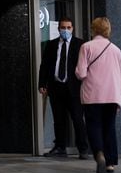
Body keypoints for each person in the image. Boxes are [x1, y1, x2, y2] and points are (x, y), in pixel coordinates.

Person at [75, 17, 121, 173]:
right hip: (112, 95)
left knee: (94, 126)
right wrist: (119, 98)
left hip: (92, 95)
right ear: (108, 30)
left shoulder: (86, 47)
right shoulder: (116, 50)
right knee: (109, 127)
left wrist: (78, 72)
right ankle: (110, 163)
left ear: (93, 29)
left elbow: (81, 73)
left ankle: (100, 154)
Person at [38, 17, 88, 159]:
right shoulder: (51, 44)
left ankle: (83, 149)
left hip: (74, 89)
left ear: (72, 28)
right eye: (62, 27)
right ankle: (60, 147)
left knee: (77, 119)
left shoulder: (80, 44)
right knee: (58, 120)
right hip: (56, 87)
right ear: (58, 28)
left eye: (68, 27)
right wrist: (42, 84)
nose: (65, 30)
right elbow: (45, 66)